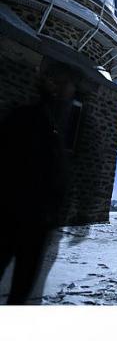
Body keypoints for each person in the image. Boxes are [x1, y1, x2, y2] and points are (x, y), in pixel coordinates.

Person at [0, 59, 76, 304]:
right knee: (21, 281)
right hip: (22, 214)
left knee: (23, 281)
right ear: (53, 85)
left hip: (36, 217)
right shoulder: (30, 117)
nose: (71, 92)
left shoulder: (55, 121)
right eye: (67, 86)